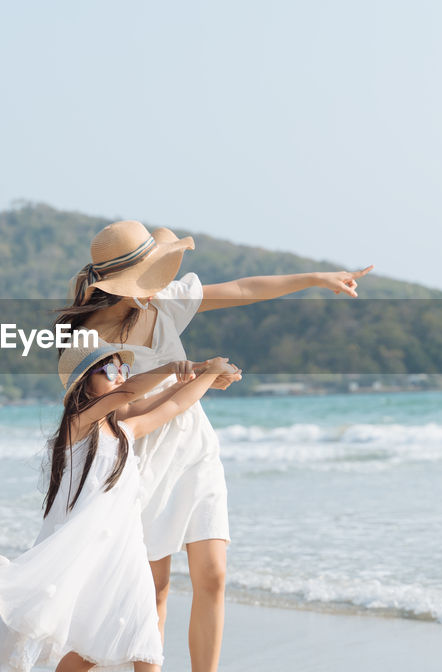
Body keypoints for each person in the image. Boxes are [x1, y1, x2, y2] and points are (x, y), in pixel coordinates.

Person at [54, 219, 372, 671]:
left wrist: (315, 279)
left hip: (194, 451)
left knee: (214, 575)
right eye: (144, 279)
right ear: (115, 285)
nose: (155, 286)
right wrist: (198, 376)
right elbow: (118, 415)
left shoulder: (164, 304)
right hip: (139, 459)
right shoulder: (87, 341)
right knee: (154, 589)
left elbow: (243, 289)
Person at [0, 341, 233, 672]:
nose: (121, 377)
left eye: (124, 369)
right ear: (84, 382)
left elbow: (176, 404)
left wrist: (209, 373)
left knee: (143, 648)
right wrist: (177, 367)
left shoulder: (126, 430)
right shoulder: (77, 425)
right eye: (110, 370)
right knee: (91, 649)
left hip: (127, 561)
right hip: (88, 559)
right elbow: (127, 396)